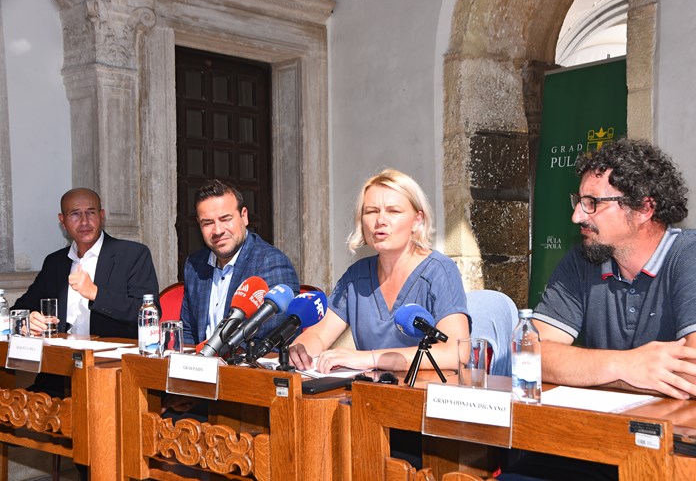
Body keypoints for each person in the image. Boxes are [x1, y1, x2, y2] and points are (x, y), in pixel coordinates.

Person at [533, 139, 696, 401]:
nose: (577, 216)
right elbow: (529, 354)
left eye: (592, 203)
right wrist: (624, 365)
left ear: (643, 209)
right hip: (608, 432)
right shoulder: (581, 261)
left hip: (688, 437)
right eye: (579, 201)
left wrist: (587, 370)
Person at [289, 169, 470, 374]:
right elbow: (320, 335)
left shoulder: (440, 271)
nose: (380, 220)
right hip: (371, 394)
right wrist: (302, 350)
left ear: (417, 220)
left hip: (423, 394)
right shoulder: (357, 276)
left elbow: (457, 352)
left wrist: (370, 359)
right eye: (371, 211)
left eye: (393, 211)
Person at [13, 188, 159, 338]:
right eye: (75, 214)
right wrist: (28, 320)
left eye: (91, 212)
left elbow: (148, 313)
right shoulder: (55, 262)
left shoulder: (132, 254)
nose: (84, 221)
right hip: (62, 353)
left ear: (102, 216)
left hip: (111, 355)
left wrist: (95, 293)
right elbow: (20, 308)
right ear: (62, 221)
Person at [180, 179, 299, 347]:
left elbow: (270, 337)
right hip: (200, 367)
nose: (218, 231)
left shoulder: (271, 263)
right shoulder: (194, 265)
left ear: (244, 216)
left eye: (225, 219)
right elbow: (188, 331)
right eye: (208, 223)